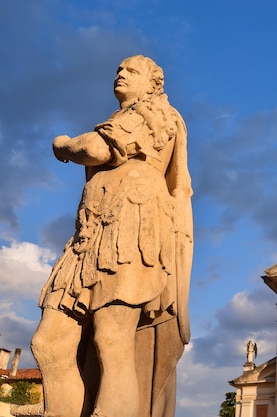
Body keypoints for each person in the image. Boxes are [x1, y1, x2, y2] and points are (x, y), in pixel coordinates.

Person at [24, 55, 193, 417]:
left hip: (131, 231)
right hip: (89, 235)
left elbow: (98, 149)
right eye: (119, 69)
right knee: (50, 341)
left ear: (152, 83)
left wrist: (62, 144)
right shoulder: (122, 117)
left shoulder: (156, 113)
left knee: (112, 339)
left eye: (131, 70)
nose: (120, 74)